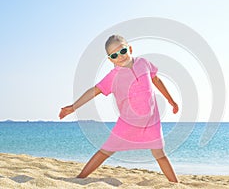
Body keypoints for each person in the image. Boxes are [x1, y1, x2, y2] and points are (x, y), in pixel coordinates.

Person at [59, 35, 179, 182]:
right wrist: (73, 107)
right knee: (106, 151)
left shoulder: (144, 63)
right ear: (110, 59)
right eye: (114, 55)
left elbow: (157, 80)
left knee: (160, 153)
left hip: (151, 121)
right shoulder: (112, 76)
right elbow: (94, 91)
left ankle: (175, 184)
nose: (120, 56)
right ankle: (79, 178)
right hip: (127, 122)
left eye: (122, 51)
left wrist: (171, 101)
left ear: (129, 48)